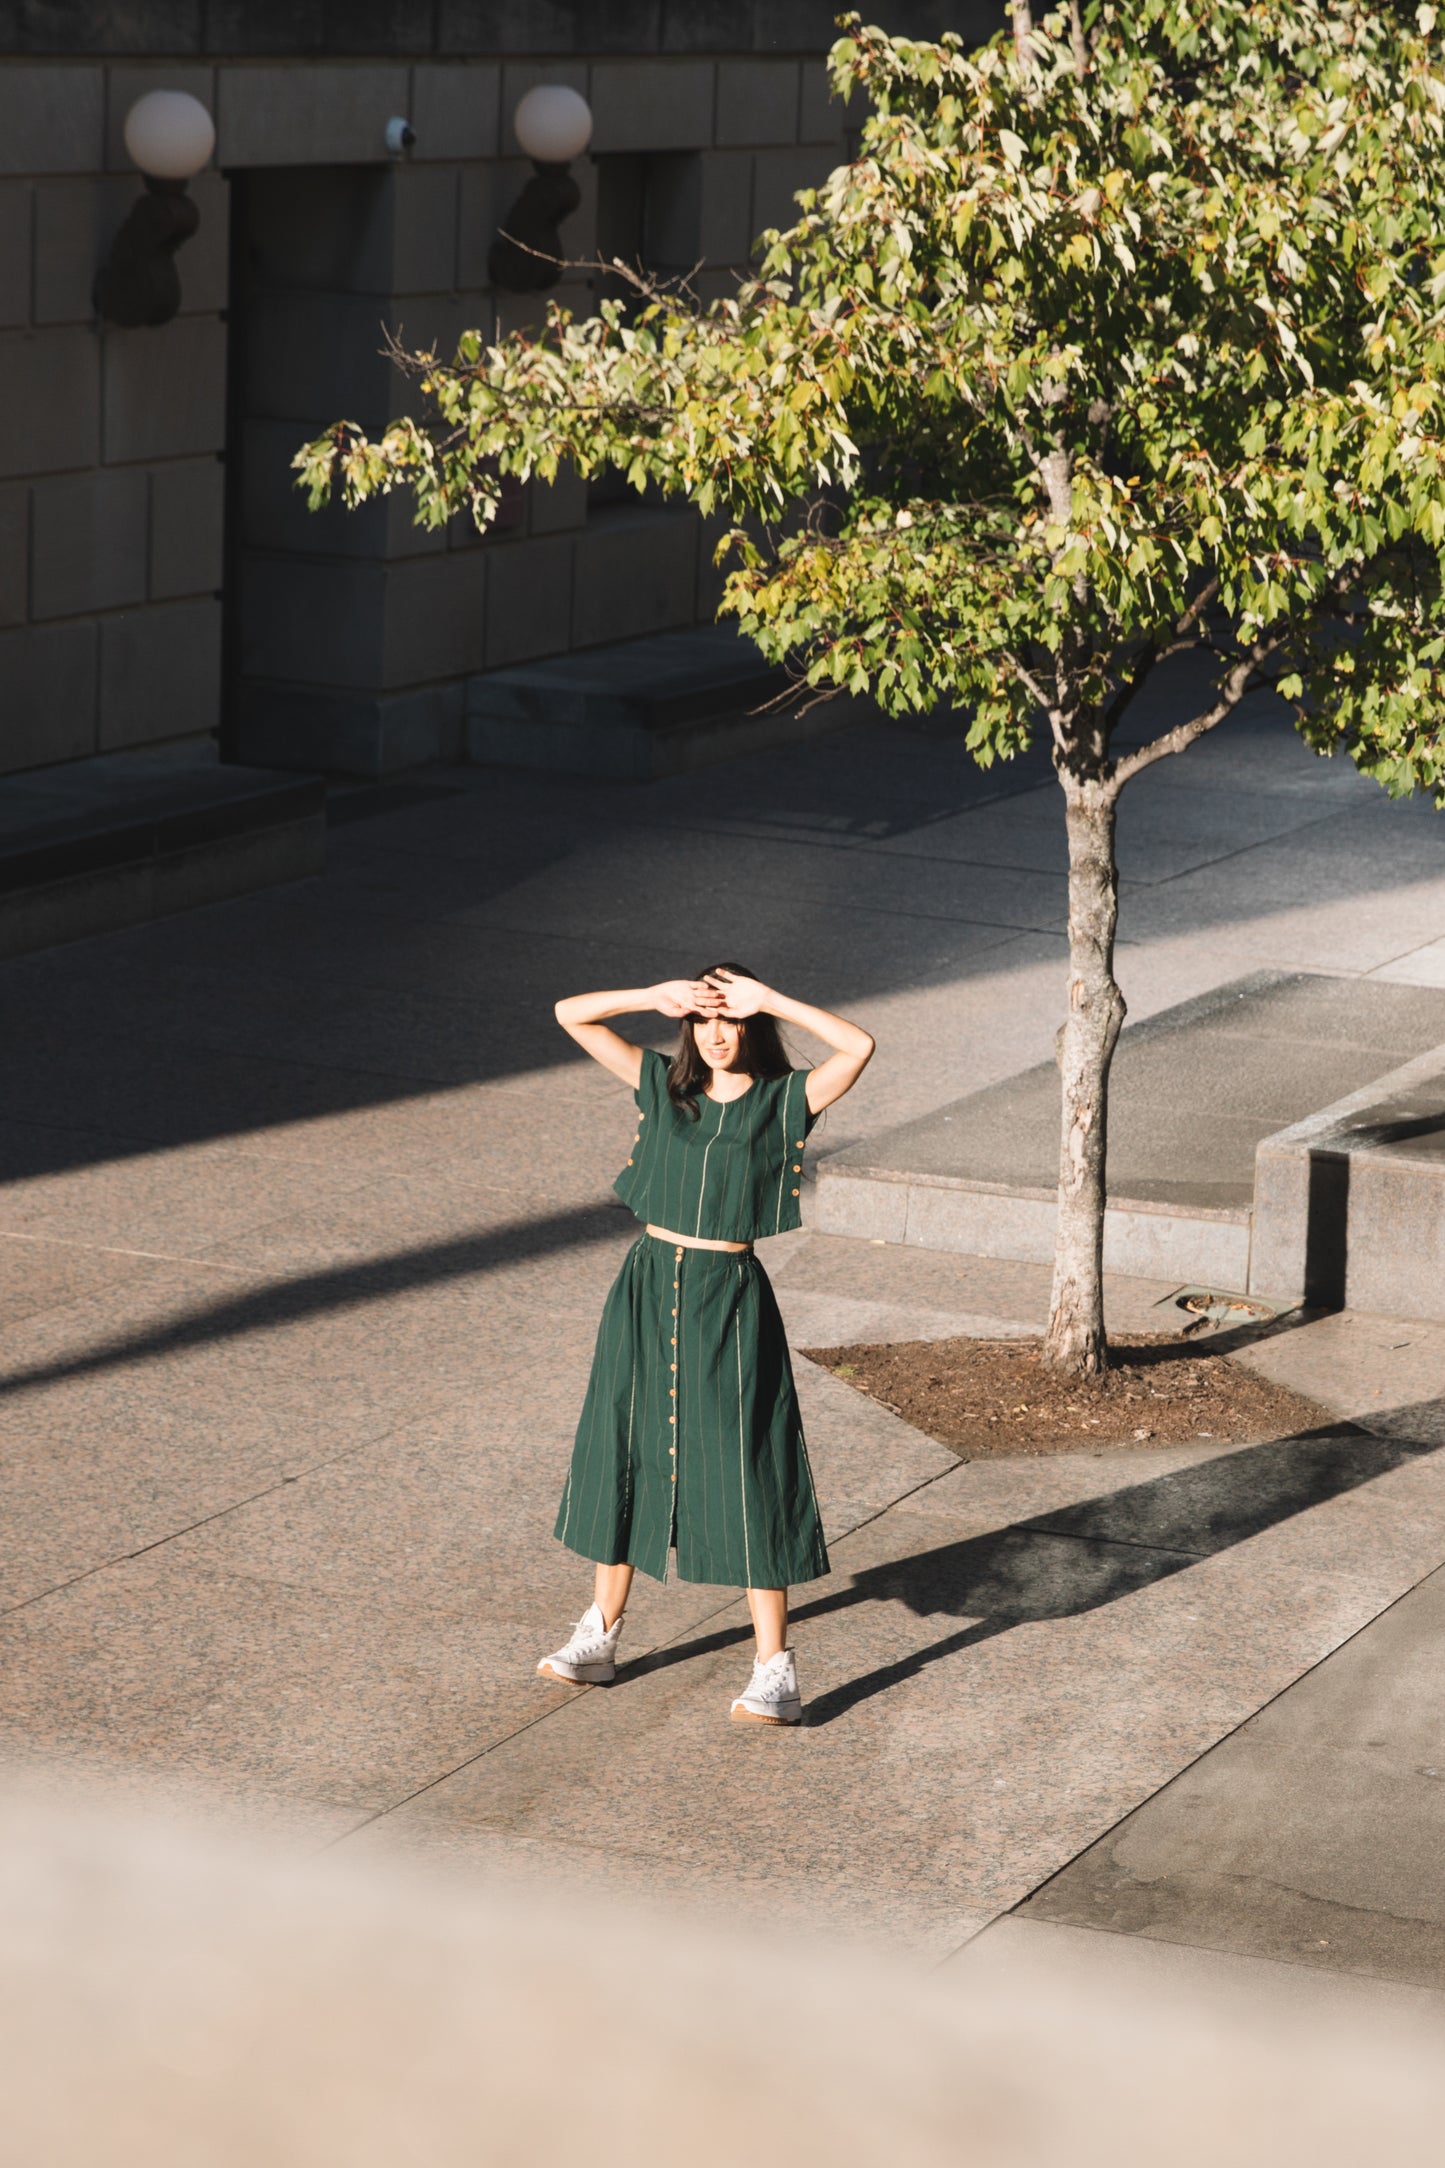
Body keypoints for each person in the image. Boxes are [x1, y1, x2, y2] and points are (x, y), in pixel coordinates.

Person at [536, 965, 875, 1725]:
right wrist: (652, 998)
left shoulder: (784, 1101)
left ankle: (775, 1672)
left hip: (727, 1294)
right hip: (647, 1283)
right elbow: (569, 1012)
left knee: (746, 1464)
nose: (715, 1035)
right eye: (702, 1022)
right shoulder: (662, 1087)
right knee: (622, 1445)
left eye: (730, 1021)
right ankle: (600, 1636)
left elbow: (857, 1047)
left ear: (751, 1027)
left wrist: (776, 1001)